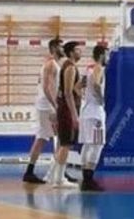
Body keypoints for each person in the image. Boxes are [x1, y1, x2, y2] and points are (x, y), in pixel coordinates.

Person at [23, 38, 63, 183]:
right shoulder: (51, 64)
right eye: (61, 47)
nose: (63, 49)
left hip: (45, 105)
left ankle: (32, 171)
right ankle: (58, 171)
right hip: (47, 106)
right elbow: (47, 88)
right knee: (60, 139)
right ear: (54, 48)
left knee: (43, 138)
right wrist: (55, 105)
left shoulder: (53, 64)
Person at [50, 41, 82, 188]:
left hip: (66, 109)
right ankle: (59, 179)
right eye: (77, 50)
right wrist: (74, 115)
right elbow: (68, 93)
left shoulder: (69, 66)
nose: (80, 52)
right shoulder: (70, 67)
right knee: (65, 145)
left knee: (64, 145)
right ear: (71, 53)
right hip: (67, 110)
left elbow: (70, 90)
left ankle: (55, 176)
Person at [79, 44, 108, 192]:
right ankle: (89, 179)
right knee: (98, 144)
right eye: (107, 54)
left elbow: (77, 87)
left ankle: (85, 179)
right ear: (102, 55)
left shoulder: (87, 69)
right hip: (95, 111)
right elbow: (96, 84)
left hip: (85, 110)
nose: (108, 58)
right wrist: (101, 99)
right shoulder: (98, 68)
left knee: (87, 144)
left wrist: (86, 98)